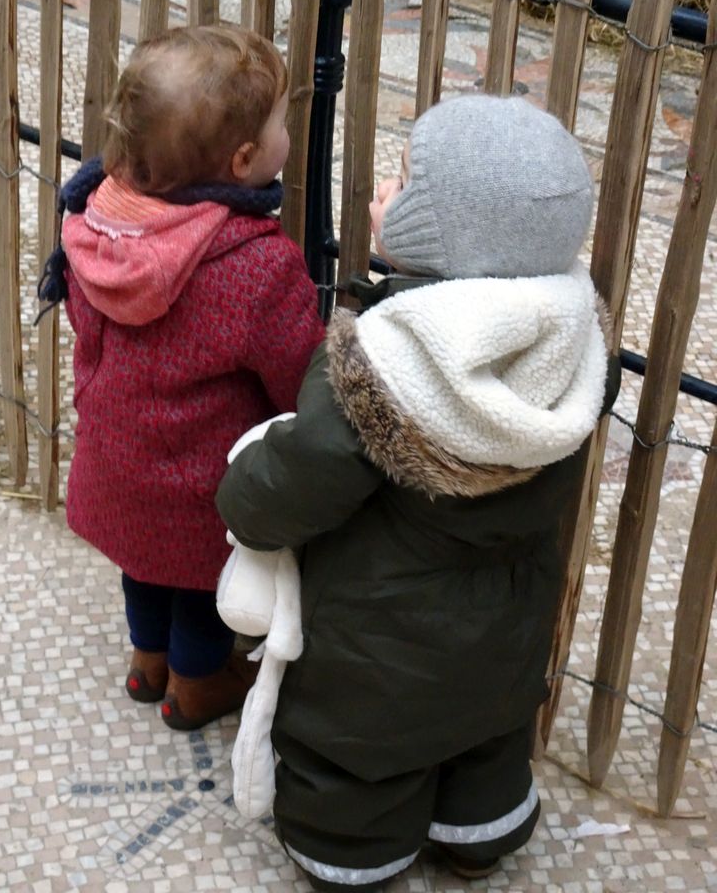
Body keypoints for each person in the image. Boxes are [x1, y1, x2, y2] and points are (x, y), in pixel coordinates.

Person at [215, 95, 620, 891]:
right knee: (488, 732)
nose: (379, 196)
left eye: (401, 184)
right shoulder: (573, 345)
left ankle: (353, 855)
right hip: (508, 630)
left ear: (444, 233)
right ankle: (480, 831)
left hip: (379, 647)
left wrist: (242, 492)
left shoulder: (386, 368)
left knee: (358, 753)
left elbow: (302, 480)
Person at [38, 25, 324, 731]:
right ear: (245, 158)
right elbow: (298, 375)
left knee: (143, 563)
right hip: (201, 485)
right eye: (282, 122)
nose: (290, 133)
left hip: (116, 460)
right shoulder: (257, 264)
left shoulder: (95, 225)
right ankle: (196, 688)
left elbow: (83, 318)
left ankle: (148, 662)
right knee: (202, 585)